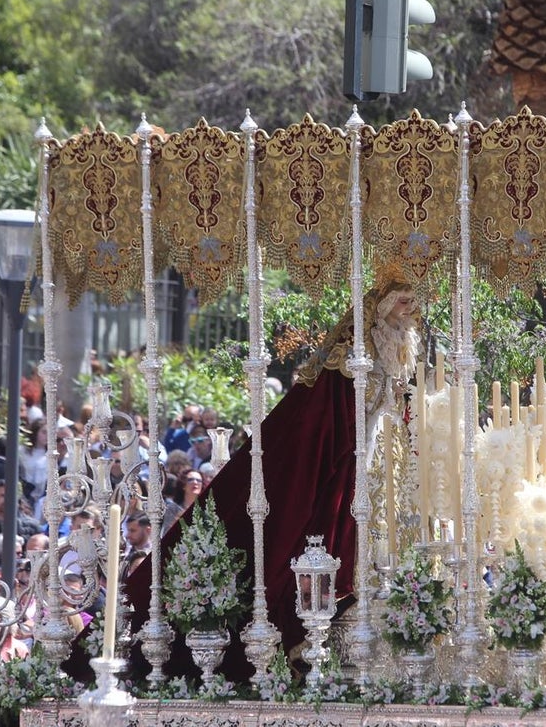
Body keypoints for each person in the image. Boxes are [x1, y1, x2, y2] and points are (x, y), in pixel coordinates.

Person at [124, 273, 421, 682]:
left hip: (383, 468)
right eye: (403, 302)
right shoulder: (349, 357)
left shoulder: (397, 355)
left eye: (412, 303)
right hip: (350, 467)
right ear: (381, 308)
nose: (410, 312)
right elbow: (327, 424)